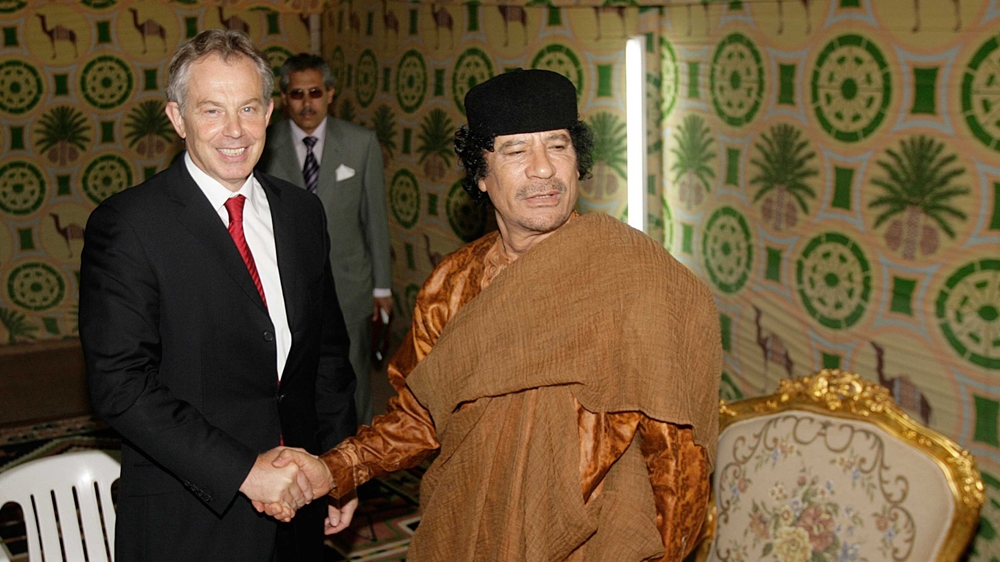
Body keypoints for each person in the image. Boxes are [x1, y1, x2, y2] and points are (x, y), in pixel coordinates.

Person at [275, 69, 722, 561]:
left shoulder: (636, 277)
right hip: (469, 526)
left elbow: (679, 458)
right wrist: (338, 468)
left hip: (597, 541)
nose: (543, 170)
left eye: (558, 147)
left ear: (578, 163)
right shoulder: (454, 283)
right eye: (516, 151)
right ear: (482, 176)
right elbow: (418, 416)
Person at [79, 30, 357, 562]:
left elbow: (326, 356)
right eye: (211, 110)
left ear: (270, 112)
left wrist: (338, 467)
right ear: (177, 118)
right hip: (190, 518)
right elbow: (121, 385)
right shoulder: (129, 225)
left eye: (248, 108)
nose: (234, 130)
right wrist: (243, 472)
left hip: (300, 507)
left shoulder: (301, 215)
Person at [258, 53, 392, 426]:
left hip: (350, 286)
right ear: (285, 98)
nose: (306, 103)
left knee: (352, 377)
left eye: (314, 92)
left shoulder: (361, 143)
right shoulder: (264, 147)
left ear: (330, 94)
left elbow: (374, 220)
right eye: (296, 93)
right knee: (294, 375)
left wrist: (382, 287)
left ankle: (357, 454)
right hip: (287, 285)